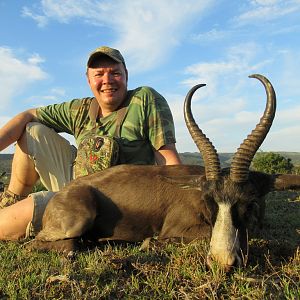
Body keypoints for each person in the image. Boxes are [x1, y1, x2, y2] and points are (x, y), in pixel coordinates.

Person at [0, 46, 181, 240]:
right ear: (88, 79)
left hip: (104, 206)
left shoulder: (145, 99)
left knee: (20, 214)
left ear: (126, 75)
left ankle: (39, 217)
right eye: (99, 74)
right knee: (32, 132)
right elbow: (28, 114)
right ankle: (10, 201)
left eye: (115, 73)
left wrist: (177, 211)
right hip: (76, 189)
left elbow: (168, 161)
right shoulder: (81, 109)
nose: (107, 80)